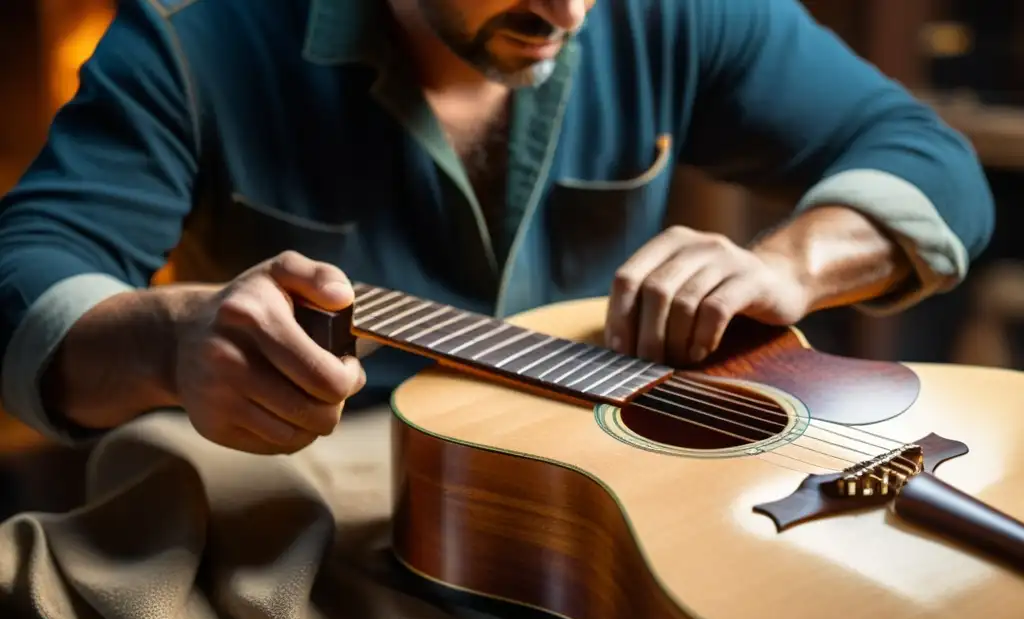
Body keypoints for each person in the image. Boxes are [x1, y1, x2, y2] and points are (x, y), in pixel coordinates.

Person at [0, 0, 994, 457]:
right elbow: (26, 278)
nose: (565, 11)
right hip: (329, 494)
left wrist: (790, 263)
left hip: (626, 487)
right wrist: (174, 342)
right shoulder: (193, 35)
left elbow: (931, 161)